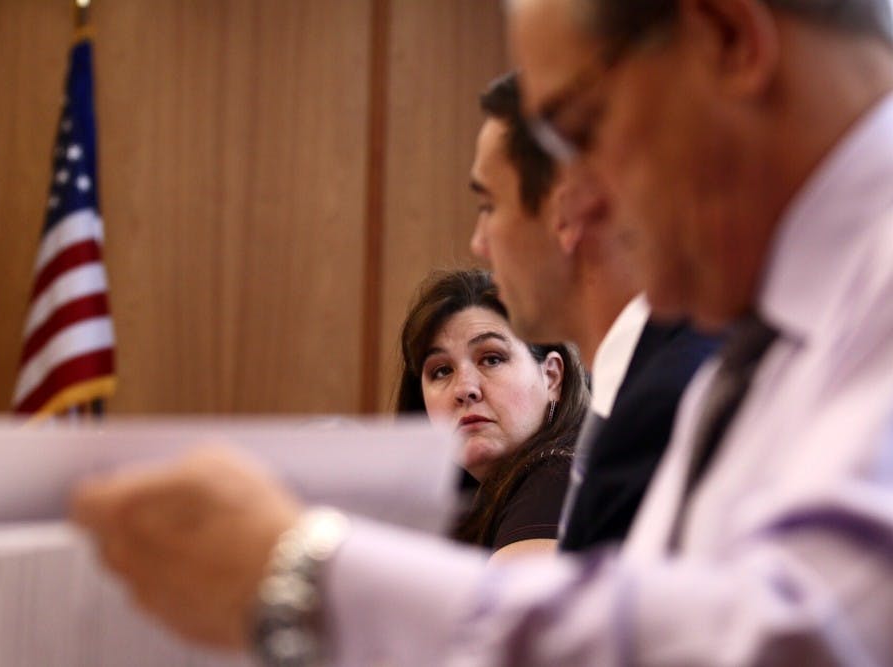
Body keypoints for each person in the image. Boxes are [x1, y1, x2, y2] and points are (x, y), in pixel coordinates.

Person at [72, 0, 893, 664]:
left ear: (725, 39)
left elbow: (804, 638)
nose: (583, 199)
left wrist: (304, 575)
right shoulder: (756, 351)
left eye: (581, 126)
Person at [470, 71, 718, 552]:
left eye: (489, 205)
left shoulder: (671, 402)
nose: (478, 243)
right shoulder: (635, 387)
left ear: (567, 213)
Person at [394, 268, 587, 555]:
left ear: (552, 377)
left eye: (492, 359)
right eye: (442, 370)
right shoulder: (467, 504)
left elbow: (517, 601)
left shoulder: (557, 477)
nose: (465, 389)